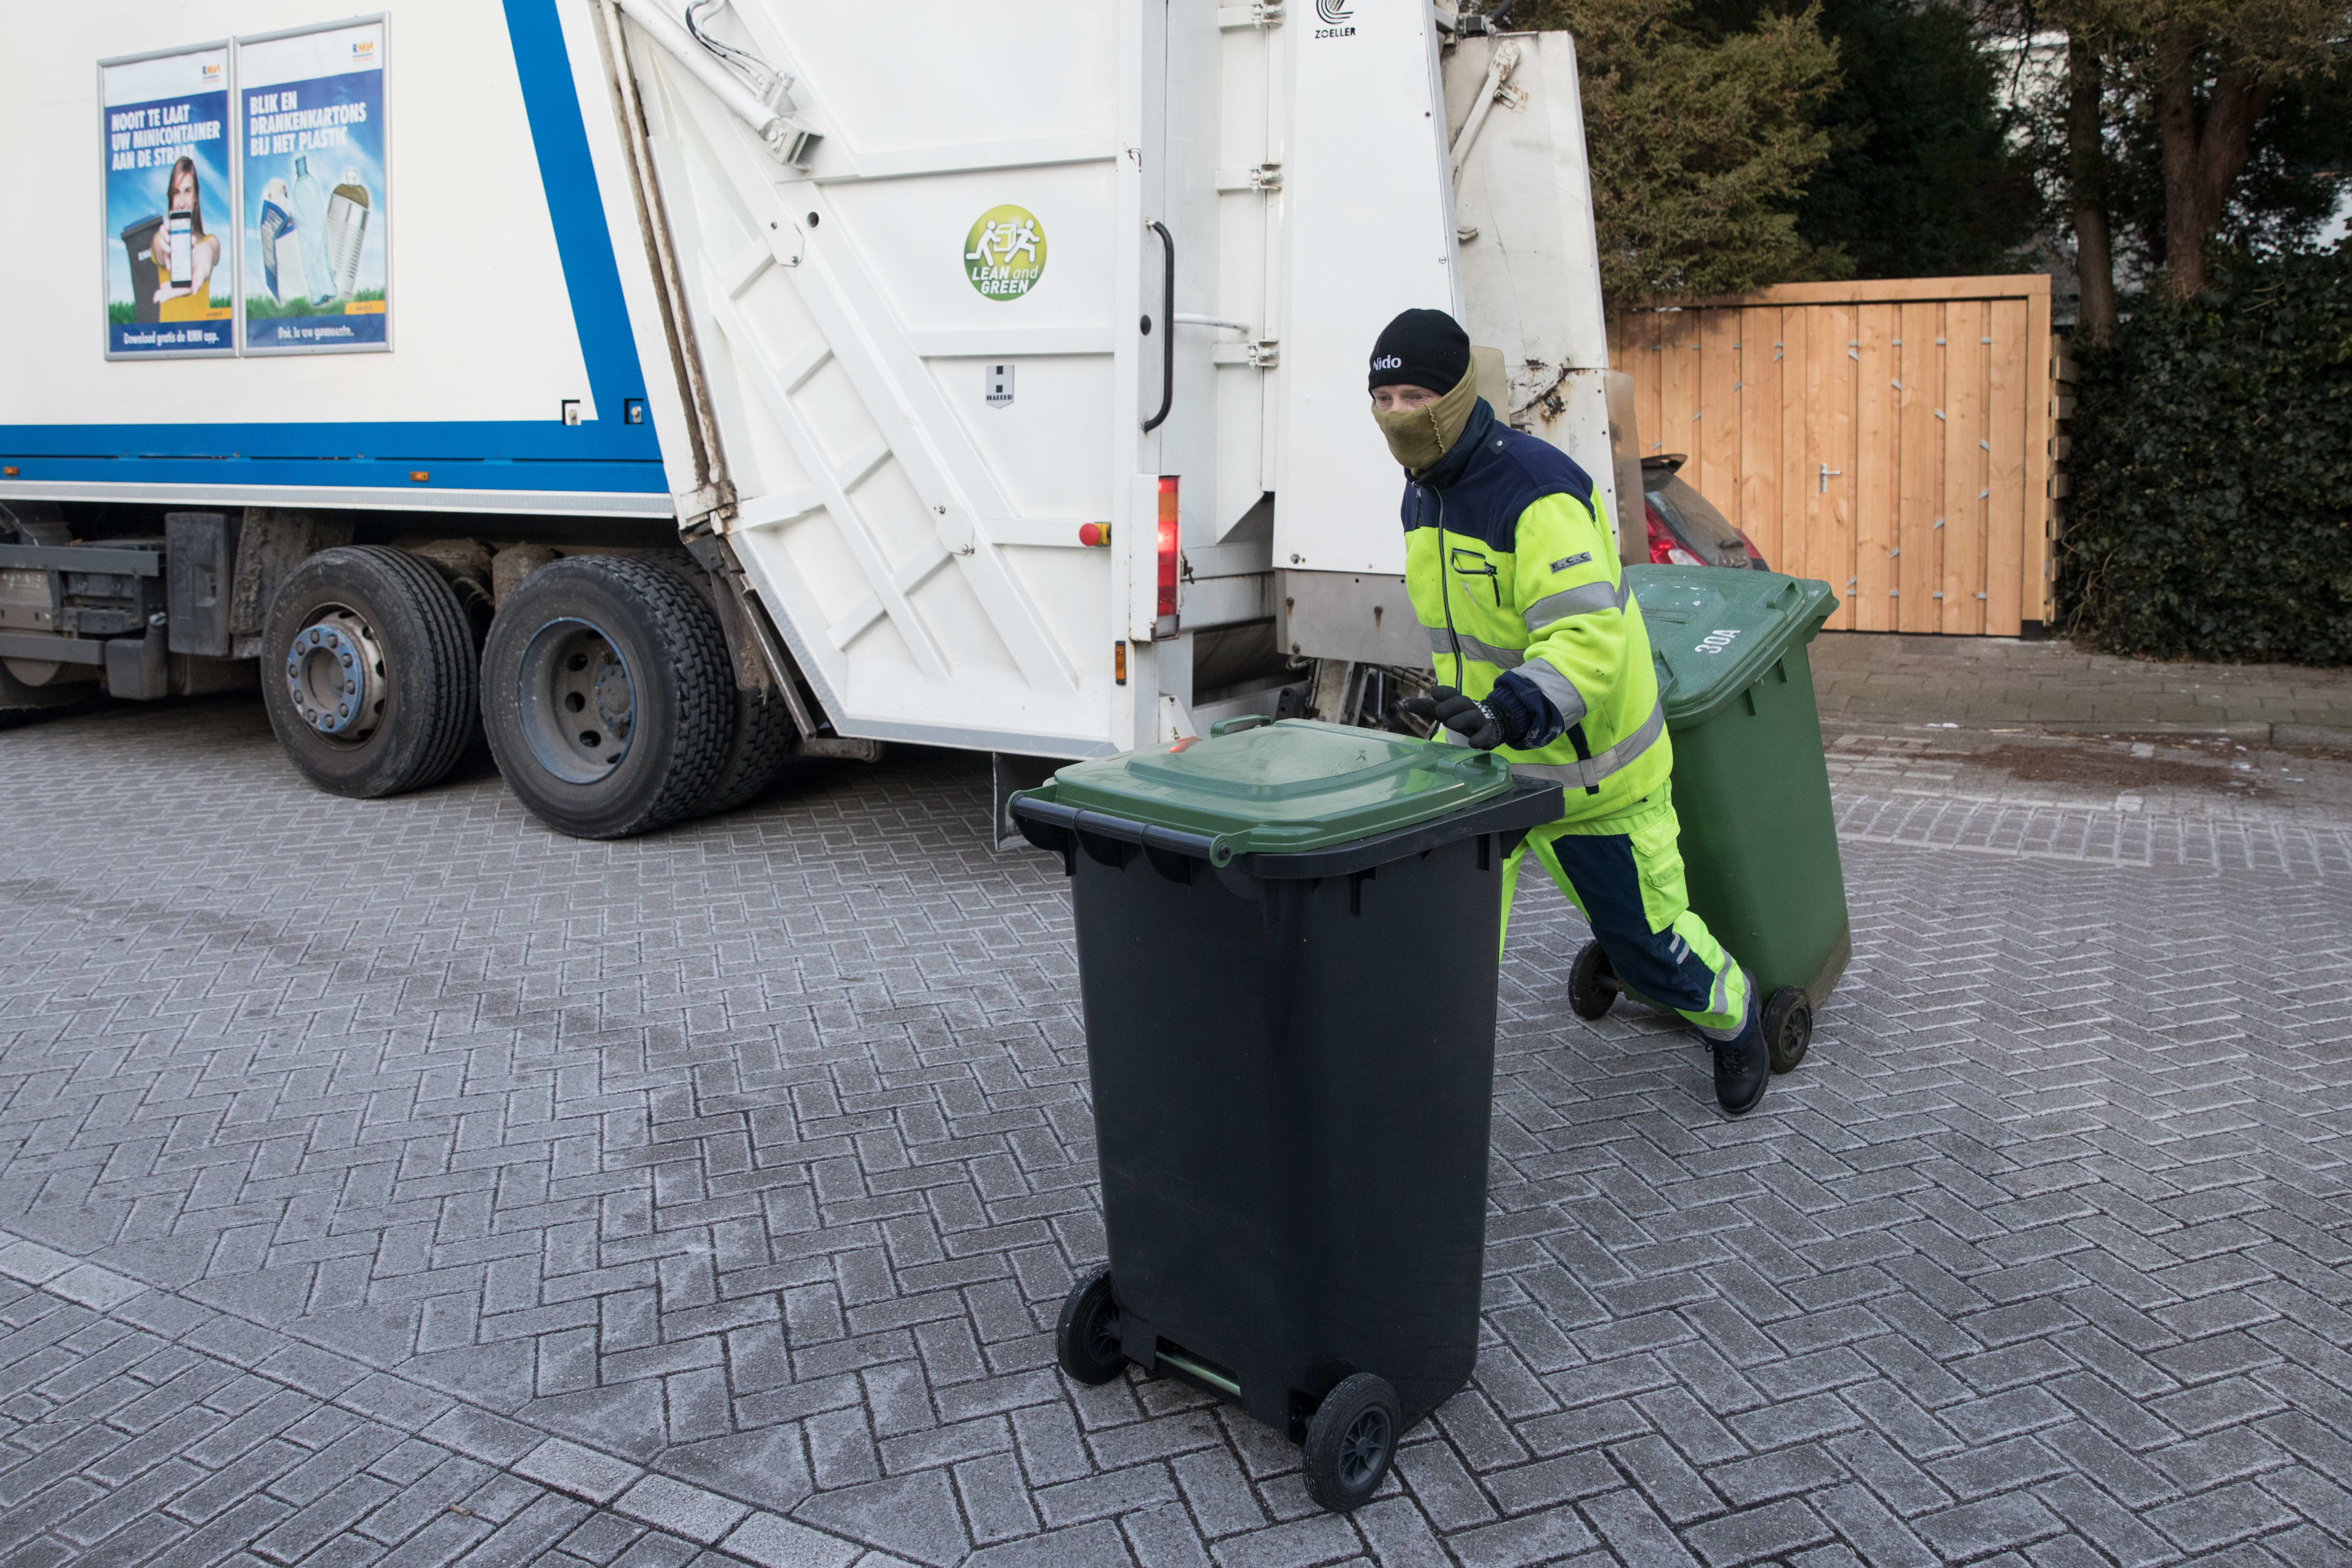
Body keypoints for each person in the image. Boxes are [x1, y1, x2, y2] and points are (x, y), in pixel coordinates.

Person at [1369, 307, 1772, 1115]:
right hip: (1492, 774)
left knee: (1650, 951)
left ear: (1457, 396)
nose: (1399, 415)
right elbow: (1470, 638)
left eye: (1417, 396)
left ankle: (1735, 1018)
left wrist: (1515, 708)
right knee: (1451, 950)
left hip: (1596, 783)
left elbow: (1586, 637)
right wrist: (1465, 720)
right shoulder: (1423, 497)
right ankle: (1423, 1102)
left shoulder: (1534, 489)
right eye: (1385, 398)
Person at [153, 156, 221, 306]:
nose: (182, 203)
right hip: (168, 330)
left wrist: (201, 269)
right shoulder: (162, 239)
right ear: (170, 196)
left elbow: (208, 251)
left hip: (203, 329)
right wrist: (163, 247)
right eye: (176, 192)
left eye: (187, 191)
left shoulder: (210, 241)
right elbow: (158, 247)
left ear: (196, 195)